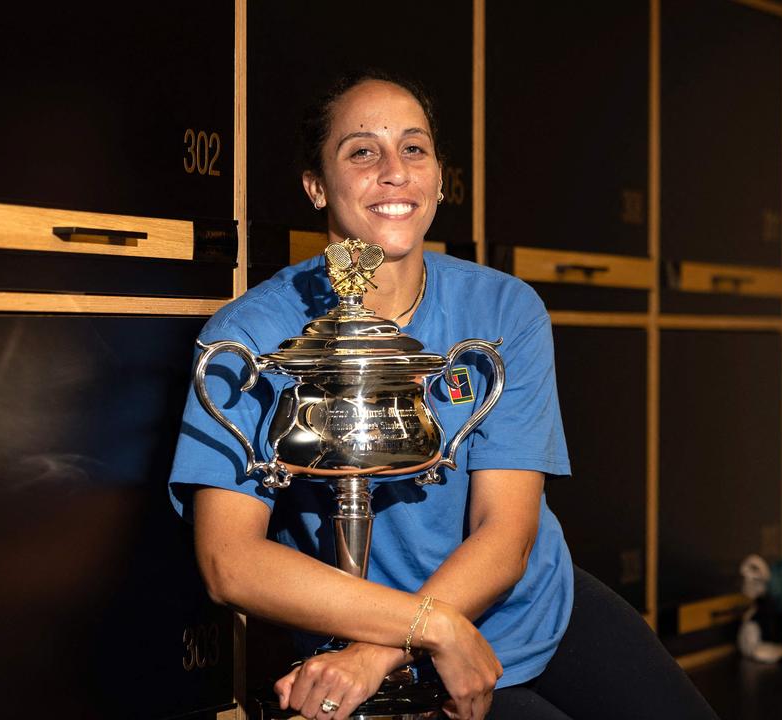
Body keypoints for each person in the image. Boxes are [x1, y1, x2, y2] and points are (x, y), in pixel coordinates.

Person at [169, 72, 717, 720]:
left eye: (414, 148)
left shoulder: (504, 308)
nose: (395, 171)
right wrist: (433, 629)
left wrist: (382, 649)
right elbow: (228, 562)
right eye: (362, 151)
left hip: (528, 607)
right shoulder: (249, 336)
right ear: (316, 186)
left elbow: (506, 533)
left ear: (436, 176)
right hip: (383, 643)